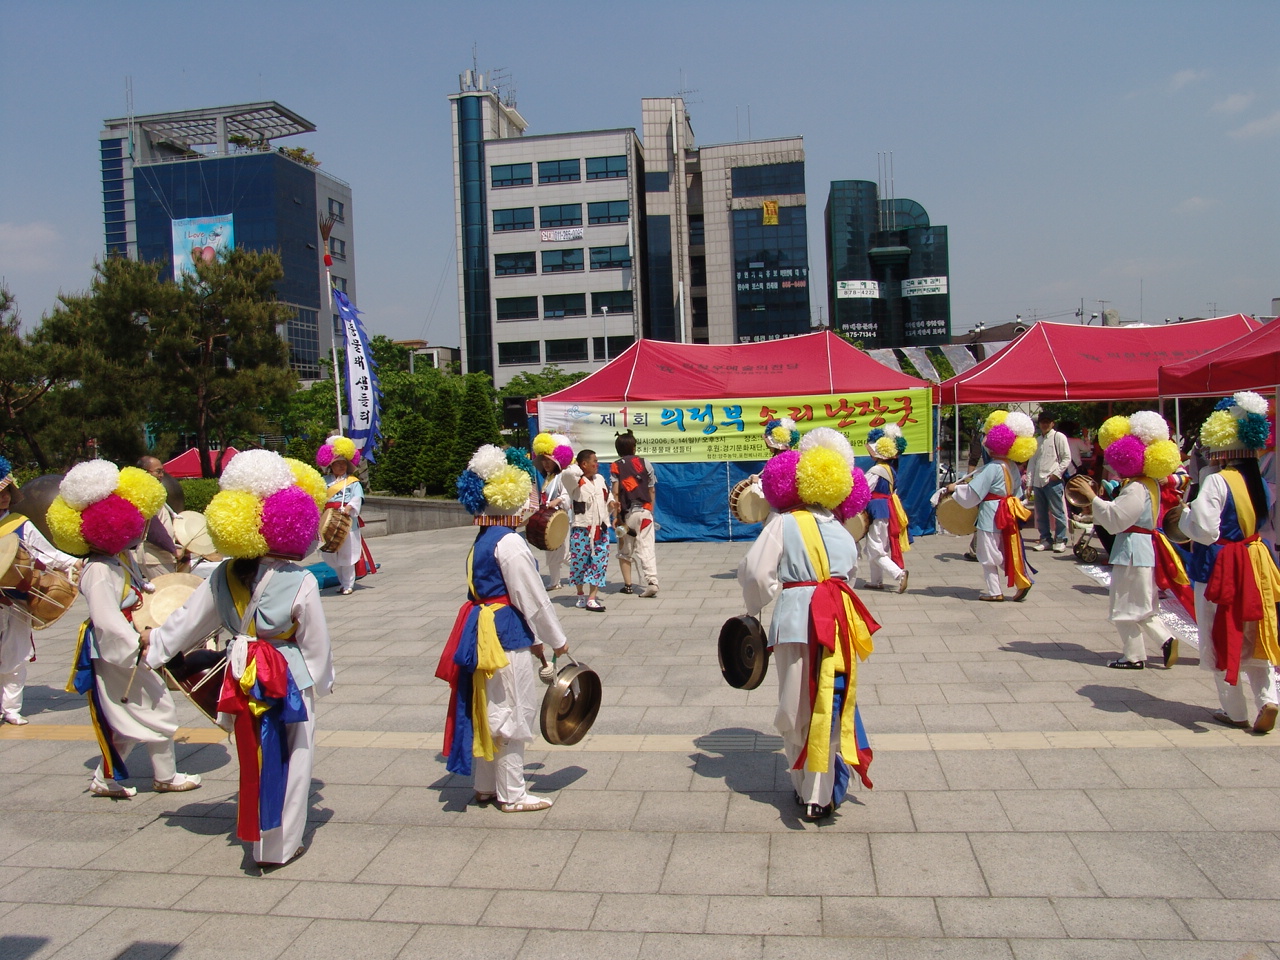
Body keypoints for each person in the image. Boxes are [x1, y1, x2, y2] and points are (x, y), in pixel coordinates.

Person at [144, 450, 334, 865]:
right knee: (295, 756)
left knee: (253, 753)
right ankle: (280, 845)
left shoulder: (222, 574)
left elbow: (187, 622)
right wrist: (322, 680)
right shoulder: (299, 579)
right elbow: (315, 643)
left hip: (241, 670)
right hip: (288, 674)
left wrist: (154, 648)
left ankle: (256, 838)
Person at [739, 430, 876, 821]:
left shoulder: (783, 523)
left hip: (797, 620)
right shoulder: (843, 530)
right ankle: (821, 792)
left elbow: (755, 572)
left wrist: (753, 608)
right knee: (830, 702)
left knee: (795, 705)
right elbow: (848, 573)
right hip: (838, 622)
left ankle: (809, 790)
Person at [50, 460, 202, 798]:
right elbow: (105, 618)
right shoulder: (98, 570)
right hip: (118, 649)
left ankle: (108, 778)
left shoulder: (117, 558)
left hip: (126, 645)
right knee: (154, 704)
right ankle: (164, 776)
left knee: (130, 711)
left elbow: (139, 589)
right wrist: (136, 646)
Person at [439, 444, 571, 811]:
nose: (530, 499)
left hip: (481, 630)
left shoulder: (483, 539)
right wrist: (557, 641)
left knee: (488, 706)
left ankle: (485, 784)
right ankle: (512, 793)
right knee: (513, 709)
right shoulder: (510, 542)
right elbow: (533, 599)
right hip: (503, 633)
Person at [1179, 393, 1280, 733]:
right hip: (1257, 561)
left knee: (1221, 632)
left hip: (1220, 565)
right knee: (1257, 631)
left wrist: (1188, 516)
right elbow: (1268, 526)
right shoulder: (1264, 484)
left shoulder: (1217, 481)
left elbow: (1205, 531)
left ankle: (1235, 710)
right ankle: (1268, 699)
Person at [1068, 411, 1187, 669]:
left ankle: (1133, 656)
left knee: (1124, 605)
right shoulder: (1150, 483)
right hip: (1141, 548)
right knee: (1142, 604)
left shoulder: (1136, 486)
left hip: (1133, 549)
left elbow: (1117, 518)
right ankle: (1165, 640)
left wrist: (1092, 497)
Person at [0, 456, 80, 724]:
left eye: (7, 493)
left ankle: (11, 708)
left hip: (16, 600)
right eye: (0, 493)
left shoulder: (19, 523)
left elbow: (50, 554)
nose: (4, 498)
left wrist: (77, 563)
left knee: (15, 652)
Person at [944, 410, 1037, 602]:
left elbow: (973, 493)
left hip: (991, 514)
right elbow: (1018, 493)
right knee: (1002, 550)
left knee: (987, 553)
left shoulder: (992, 468)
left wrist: (953, 489)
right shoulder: (1012, 466)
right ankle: (1021, 579)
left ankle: (997, 590)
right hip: (1007, 513)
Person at [317, 435, 376, 595]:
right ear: (332, 466)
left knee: (347, 554)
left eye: (344, 464)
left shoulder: (353, 481)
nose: (341, 466)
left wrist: (350, 508)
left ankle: (348, 584)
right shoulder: (323, 481)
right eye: (338, 464)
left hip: (347, 521)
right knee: (330, 555)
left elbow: (357, 498)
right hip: (328, 519)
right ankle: (342, 581)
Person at [560, 449, 613, 612]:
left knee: (599, 563)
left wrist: (612, 504)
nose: (597, 464)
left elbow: (608, 496)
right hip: (581, 529)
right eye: (594, 461)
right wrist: (578, 465)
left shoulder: (600, 479)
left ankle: (592, 597)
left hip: (600, 529)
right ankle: (580, 593)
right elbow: (567, 473)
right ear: (584, 464)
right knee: (579, 563)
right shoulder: (574, 481)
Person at [610, 430, 659, 597]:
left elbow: (615, 492)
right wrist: (650, 510)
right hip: (645, 513)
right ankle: (651, 581)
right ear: (633, 447)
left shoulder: (616, 465)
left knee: (625, 550)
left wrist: (616, 516)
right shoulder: (646, 463)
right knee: (647, 547)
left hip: (626, 515)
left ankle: (628, 585)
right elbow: (652, 489)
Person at [862, 425, 910, 593]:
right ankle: (876, 581)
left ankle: (899, 574)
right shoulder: (891, 469)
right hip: (886, 510)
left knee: (875, 548)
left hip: (878, 510)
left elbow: (863, 489)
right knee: (877, 546)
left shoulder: (877, 469)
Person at [530, 432, 573, 589]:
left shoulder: (563, 476)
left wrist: (558, 500)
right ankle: (555, 582)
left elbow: (568, 495)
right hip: (549, 518)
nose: (546, 464)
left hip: (560, 519)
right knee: (551, 549)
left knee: (564, 553)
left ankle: (584, 573)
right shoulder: (548, 478)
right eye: (544, 461)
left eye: (549, 461)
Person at [133, 456, 184, 577]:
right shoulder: (145, 495)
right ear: (144, 473)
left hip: (157, 556)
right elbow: (152, 529)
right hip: (155, 557)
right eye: (158, 471)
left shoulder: (150, 493)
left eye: (163, 471)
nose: (161, 475)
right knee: (168, 593)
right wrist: (173, 550)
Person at [1027, 412, 1072, 552]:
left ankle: (1060, 539)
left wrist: (1056, 474)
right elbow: (1032, 462)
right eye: (1042, 422)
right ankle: (1045, 538)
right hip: (1038, 482)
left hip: (1052, 480)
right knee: (1040, 513)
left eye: (1047, 422)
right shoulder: (1038, 440)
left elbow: (1066, 458)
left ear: (1052, 423)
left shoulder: (1058, 437)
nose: (1045, 424)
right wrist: (1029, 483)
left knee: (1058, 511)